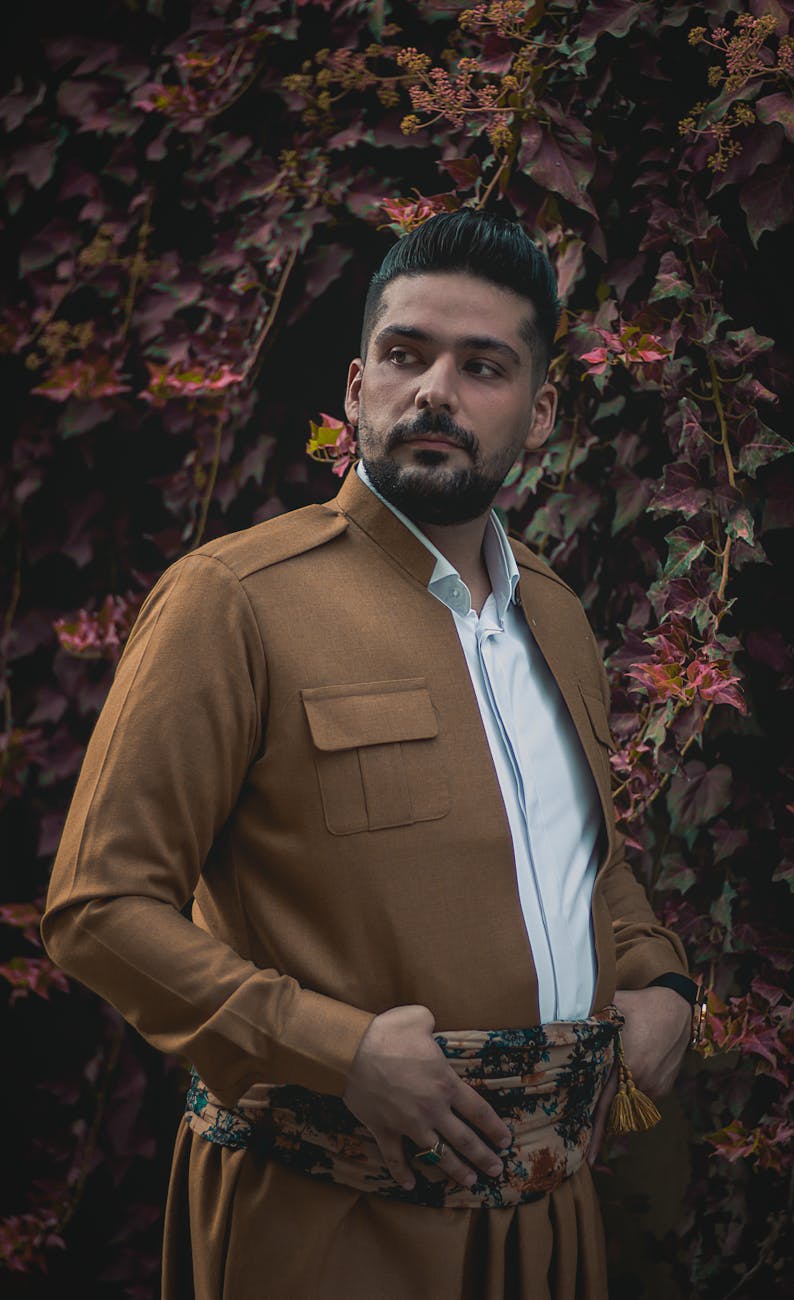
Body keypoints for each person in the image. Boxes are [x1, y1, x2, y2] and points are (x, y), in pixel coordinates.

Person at [42, 210, 702, 1300]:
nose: (434, 390)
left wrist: (662, 979)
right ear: (356, 389)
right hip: (326, 1218)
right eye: (405, 354)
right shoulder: (235, 601)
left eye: (481, 365)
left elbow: (583, 863)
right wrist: (335, 1048)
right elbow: (98, 905)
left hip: (551, 1221)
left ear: (539, 412)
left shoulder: (556, 614)